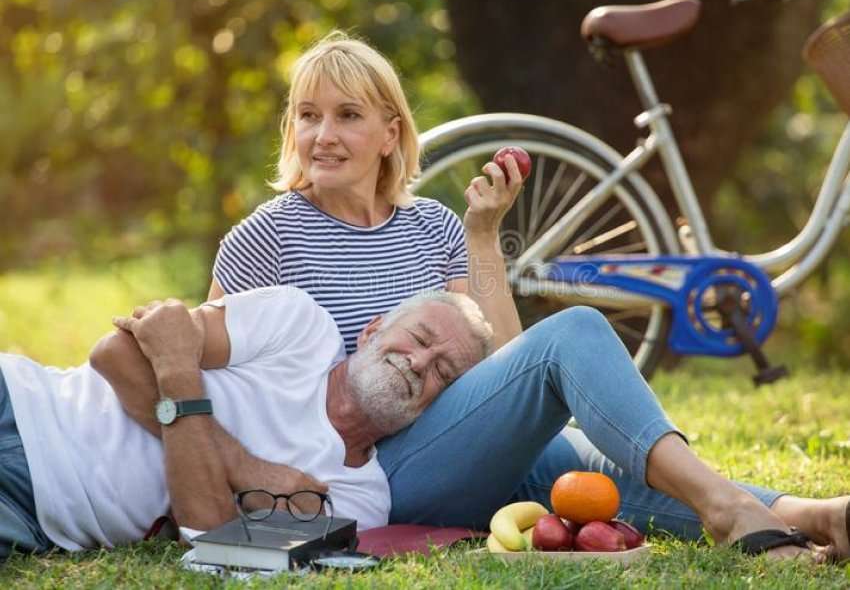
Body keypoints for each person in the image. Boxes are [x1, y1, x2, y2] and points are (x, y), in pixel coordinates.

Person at [110, 31, 849, 561]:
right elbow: (207, 378)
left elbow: (506, 360)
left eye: (346, 115)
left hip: (449, 440)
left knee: (573, 461)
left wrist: (483, 236)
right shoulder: (265, 239)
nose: (321, 135)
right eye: (306, 115)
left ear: (391, 134)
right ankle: (729, 508)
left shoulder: (433, 226)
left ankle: (801, 515)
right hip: (363, 479)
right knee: (577, 338)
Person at [0, 286, 491, 558]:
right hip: (22, 398)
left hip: (31, 514)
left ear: (438, 406)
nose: (419, 362)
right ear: (371, 330)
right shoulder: (299, 327)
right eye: (418, 337)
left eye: (443, 373)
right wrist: (246, 470)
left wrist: (176, 373)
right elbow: (117, 352)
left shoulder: (360, 499)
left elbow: (209, 534)